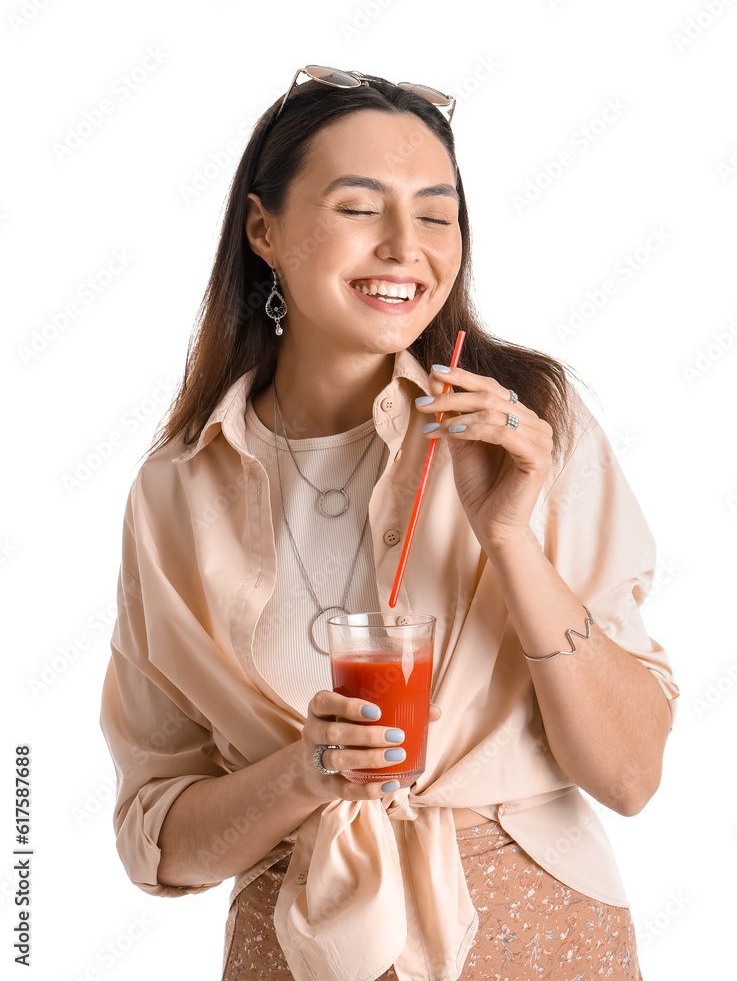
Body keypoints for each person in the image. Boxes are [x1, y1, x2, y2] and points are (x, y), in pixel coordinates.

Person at [99, 65, 679, 981]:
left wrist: (509, 538)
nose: (407, 247)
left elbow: (629, 774)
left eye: (438, 213)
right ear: (264, 230)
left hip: (532, 935)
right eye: (360, 208)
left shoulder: (528, 421)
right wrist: (304, 772)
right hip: (295, 946)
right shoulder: (175, 491)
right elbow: (159, 844)